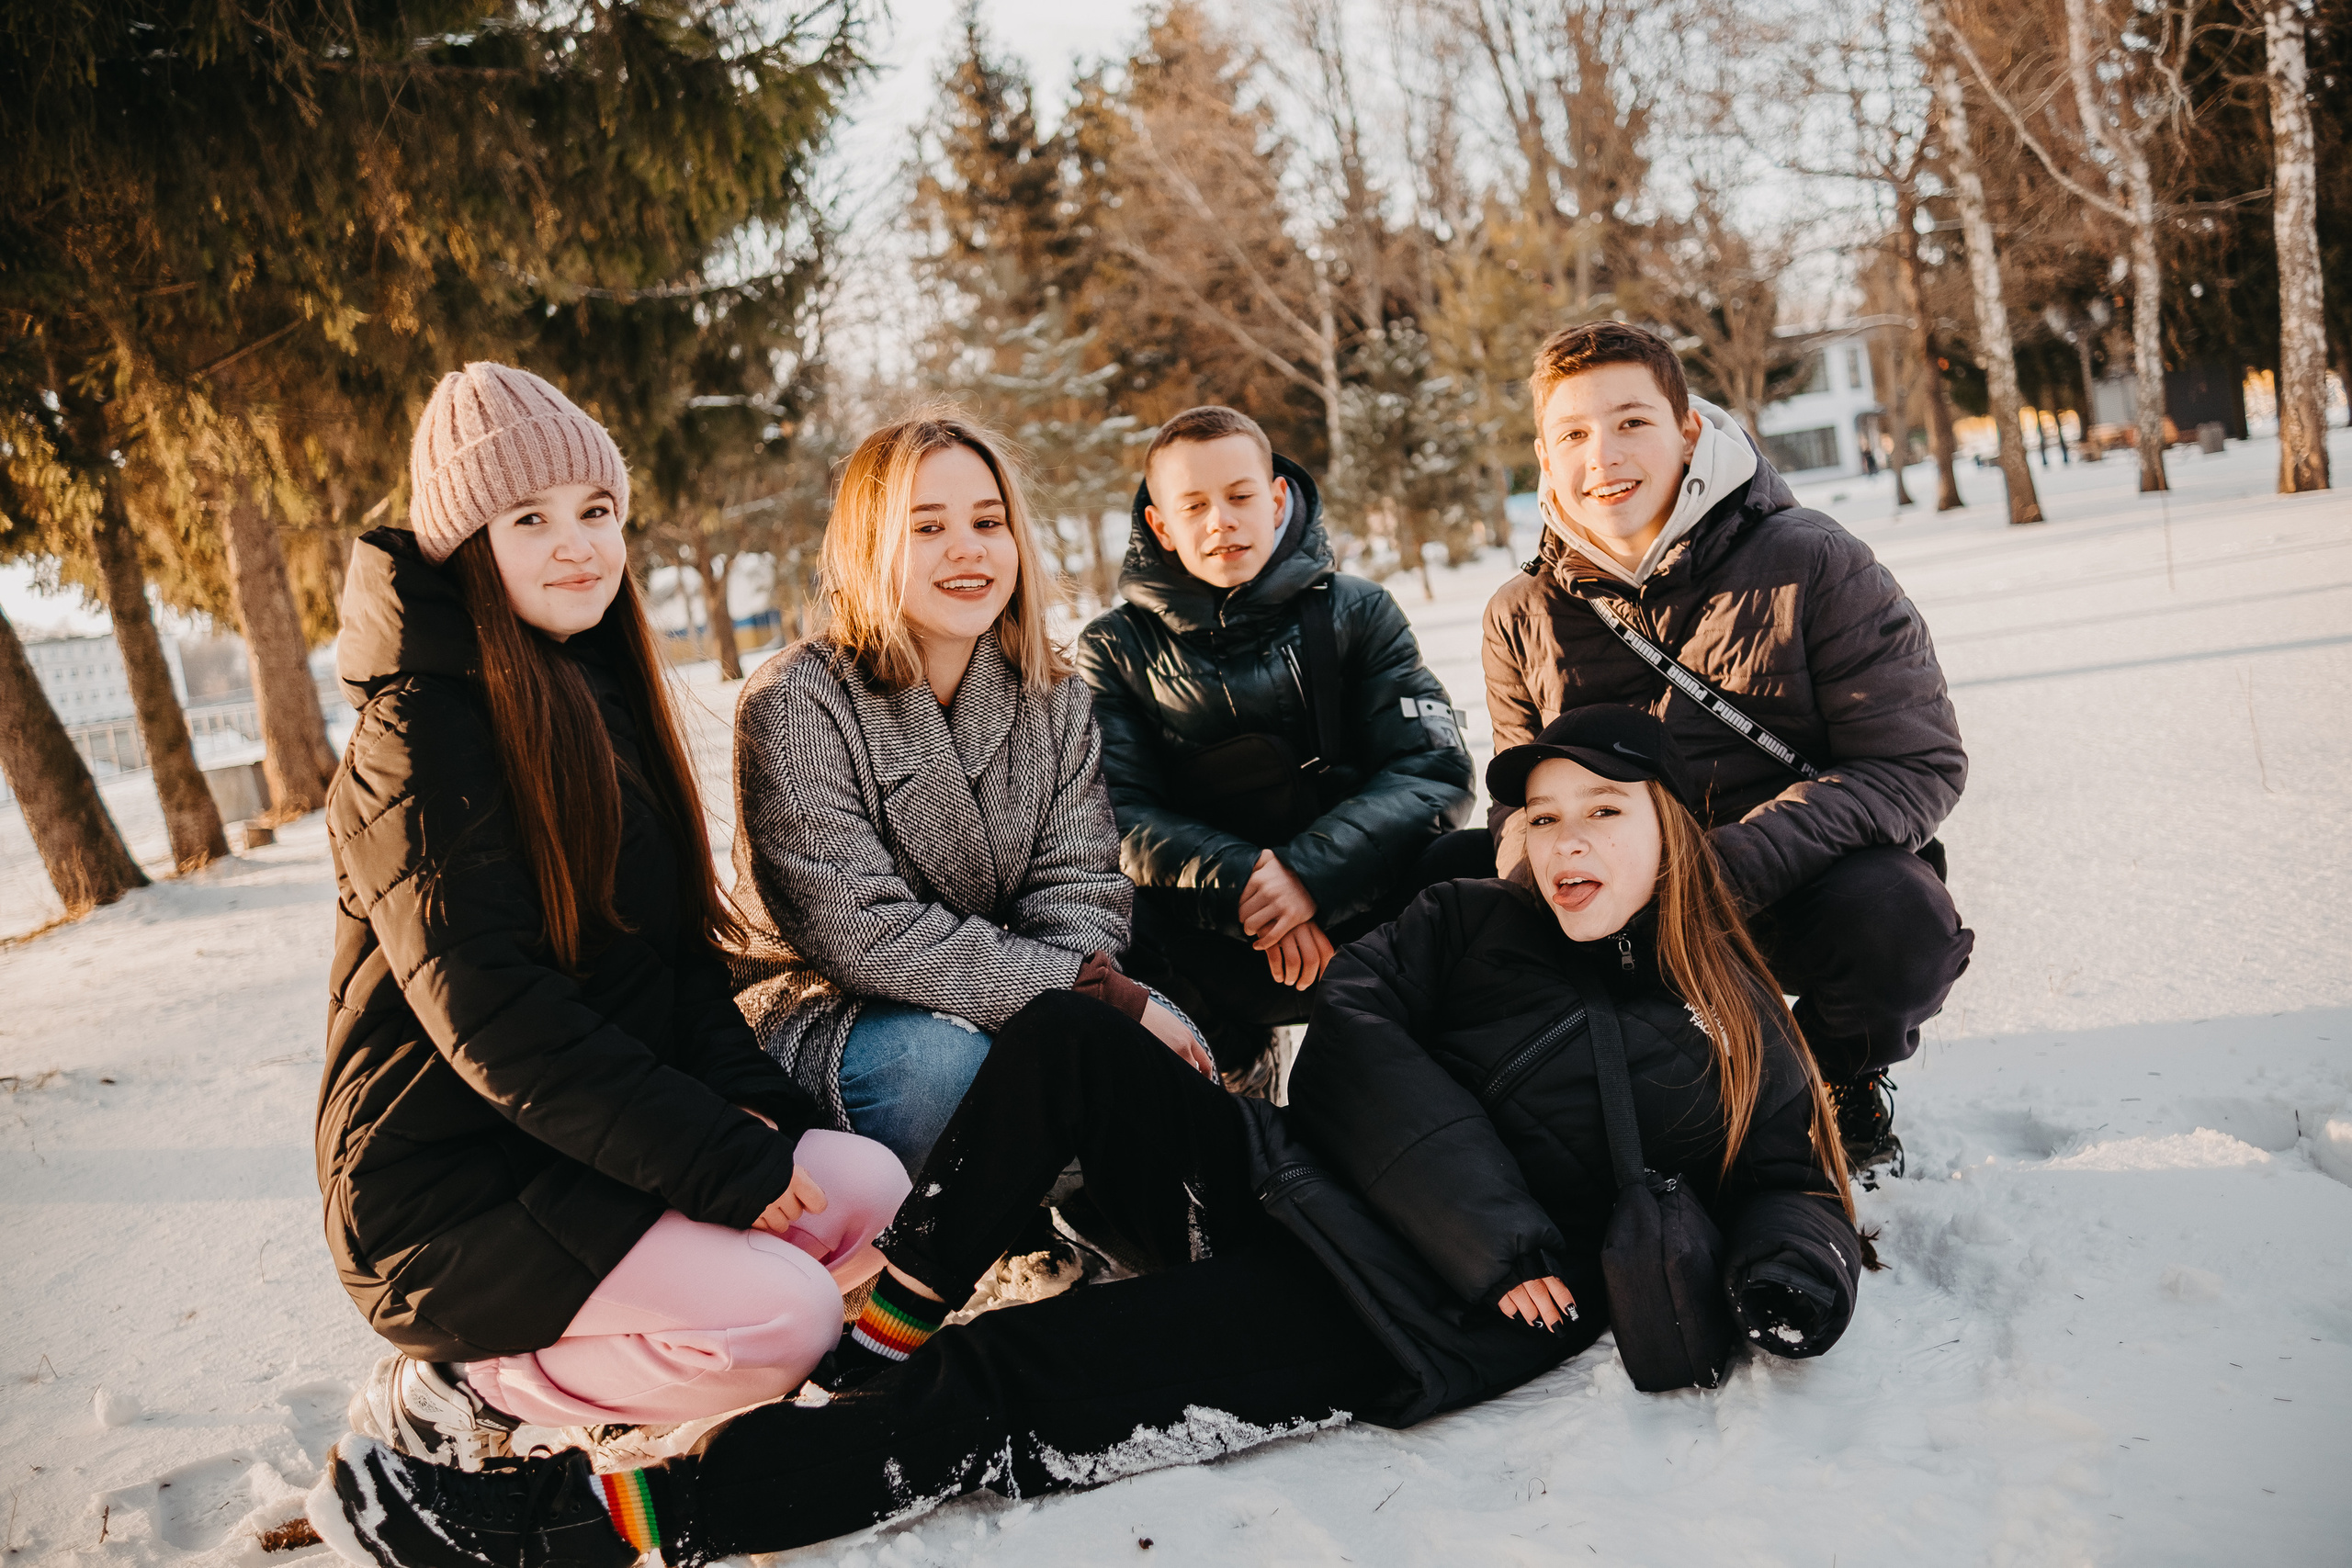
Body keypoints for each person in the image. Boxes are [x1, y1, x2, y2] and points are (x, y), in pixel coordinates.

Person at [310, 706, 1867, 1567]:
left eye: (1608, 814)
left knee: (1018, 1389)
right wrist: (1498, 1221)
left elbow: (1794, 1180)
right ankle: (888, 1318)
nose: (1568, 844)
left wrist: (1793, 1277)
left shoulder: (1729, 1020)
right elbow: (1360, 1061)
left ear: (1672, 832)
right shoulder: (1466, 922)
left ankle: (609, 1521)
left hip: (1391, 1312)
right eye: (1544, 815)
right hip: (1302, 1186)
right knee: (1066, 1033)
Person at [317, 363, 909, 1473]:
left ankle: (669, 1331)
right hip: (448, 1191)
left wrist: (756, 1116)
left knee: (867, 1189)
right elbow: (500, 1021)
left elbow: (674, 966)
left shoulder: (588, 690)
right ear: (465, 547)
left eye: (595, 512)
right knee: (790, 1316)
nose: (576, 543)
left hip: (577, 1150)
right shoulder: (417, 738)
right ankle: (469, 1386)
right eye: (528, 519)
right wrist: (715, 1161)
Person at [1451, 321, 1973, 1173]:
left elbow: (1914, 762)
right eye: (1573, 434)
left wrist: (1723, 866)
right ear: (1544, 457)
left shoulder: (1816, 560)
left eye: (1630, 422)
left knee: (1899, 923)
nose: (1602, 456)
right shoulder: (1521, 612)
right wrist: (1545, 885)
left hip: (1787, 883)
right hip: (1615, 898)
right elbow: (1520, 799)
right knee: (1453, 892)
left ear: (1688, 429)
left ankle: (1831, 1079)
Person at [728, 409, 1204, 1171]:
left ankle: (1120, 1236)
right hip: (839, 1012)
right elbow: (862, 932)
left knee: (1178, 1056)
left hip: (1030, 996)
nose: (968, 549)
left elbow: (1080, 889)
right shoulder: (799, 699)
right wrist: (1085, 999)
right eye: (926, 527)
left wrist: (1069, 1007)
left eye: (988, 521)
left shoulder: (1053, 698)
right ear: (868, 546)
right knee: (943, 1072)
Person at [1080, 404, 1475, 1082]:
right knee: (1103, 908)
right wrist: (1247, 886)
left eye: (1238, 497)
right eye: (1194, 504)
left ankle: (1446, 1058)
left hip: (1361, 915)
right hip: (1211, 937)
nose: (1220, 521)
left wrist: (1308, 877)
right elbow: (1116, 815)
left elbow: (1434, 767)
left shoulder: (1360, 610)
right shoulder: (1114, 649)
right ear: (1160, 525)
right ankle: (1225, 1063)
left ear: (1276, 497)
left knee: (1472, 857)